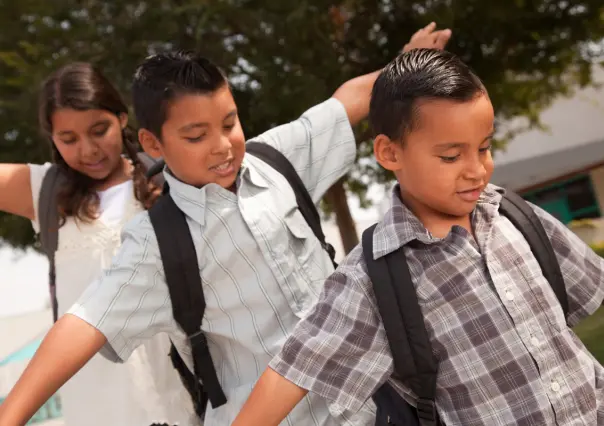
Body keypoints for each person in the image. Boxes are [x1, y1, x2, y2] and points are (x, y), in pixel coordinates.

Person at [0, 24, 451, 426]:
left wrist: (401, 67)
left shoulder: (274, 159)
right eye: (196, 137)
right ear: (153, 142)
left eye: (229, 123)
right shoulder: (156, 242)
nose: (222, 147)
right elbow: (81, 324)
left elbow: (344, 103)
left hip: (372, 409)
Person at [231, 49, 604, 426]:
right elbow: (292, 370)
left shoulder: (514, 215)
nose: (477, 170)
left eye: (484, 147)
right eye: (450, 157)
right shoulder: (374, 279)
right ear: (389, 153)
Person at [0, 63, 198, 426]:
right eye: (68, 139)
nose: (88, 150)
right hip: (92, 401)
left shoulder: (169, 179)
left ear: (122, 118)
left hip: (178, 389)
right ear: (52, 138)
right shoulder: (44, 191)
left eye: (99, 130)